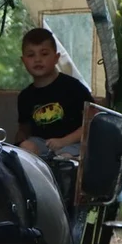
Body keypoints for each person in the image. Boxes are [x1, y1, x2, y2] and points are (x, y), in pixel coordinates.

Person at [14, 28, 94, 161]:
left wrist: (64, 141)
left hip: (73, 144)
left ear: (56, 58)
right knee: (26, 148)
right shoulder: (25, 96)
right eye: (31, 55)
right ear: (23, 61)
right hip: (41, 144)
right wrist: (20, 144)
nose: (37, 59)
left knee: (63, 158)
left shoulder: (74, 87)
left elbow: (93, 121)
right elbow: (24, 130)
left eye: (44, 54)